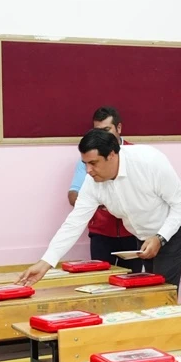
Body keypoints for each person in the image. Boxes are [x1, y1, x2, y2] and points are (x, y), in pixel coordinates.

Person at [20, 129, 181, 288]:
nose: (88, 170)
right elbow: (74, 222)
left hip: (173, 224)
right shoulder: (92, 182)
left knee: (163, 287)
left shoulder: (149, 161)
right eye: (85, 163)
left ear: (111, 155)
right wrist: (45, 262)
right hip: (143, 231)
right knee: (151, 286)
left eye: (93, 163)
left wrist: (160, 238)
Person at [67, 106, 139, 265]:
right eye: (97, 131)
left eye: (107, 130)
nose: (102, 136)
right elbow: (73, 196)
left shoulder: (135, 155)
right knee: (101, 277)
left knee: (132, 277)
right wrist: (99, 202)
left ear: (119, 128)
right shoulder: (87, 160)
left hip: (133, 232)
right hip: (101, 234)